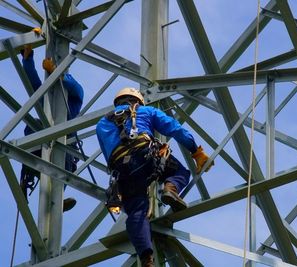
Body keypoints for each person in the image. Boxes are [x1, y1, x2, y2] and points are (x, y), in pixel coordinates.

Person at [96, 88, 213, 266]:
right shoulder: (145, 111)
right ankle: (170, 189)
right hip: (144, 156)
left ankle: (146, 258)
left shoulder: (102, 124)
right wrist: (195, 151)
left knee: (136, 211)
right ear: (138, 101)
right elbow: (174, 128)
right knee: (179, 172)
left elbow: (108, 155)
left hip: (122, 172)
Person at [20, 29, 84, 211]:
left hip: (64, 141)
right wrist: (28, 56)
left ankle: (58, 197)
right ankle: (28, 175)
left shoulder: (73, 99)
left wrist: (57, 72)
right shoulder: (45, 99)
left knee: (64, 161)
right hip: (40, 139)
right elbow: (32, 79)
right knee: (34, 137)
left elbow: (74, 87)